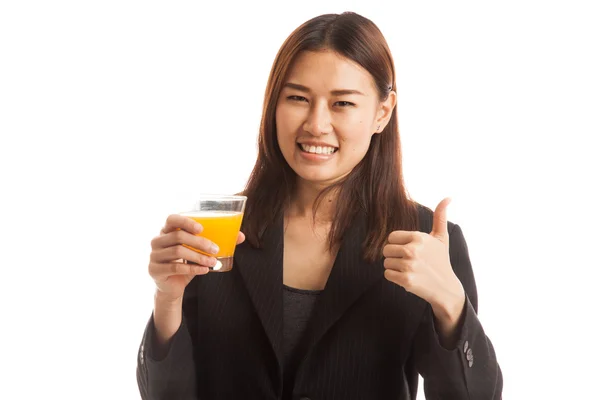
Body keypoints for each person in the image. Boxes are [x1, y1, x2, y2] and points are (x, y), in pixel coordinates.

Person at [136, 11, 503, 400]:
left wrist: (451, 305)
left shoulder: (426, 241)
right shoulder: (218, 232)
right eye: (297, 98)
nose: (316, 123)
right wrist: (167, 297)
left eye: (342, 103)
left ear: (382, 112)